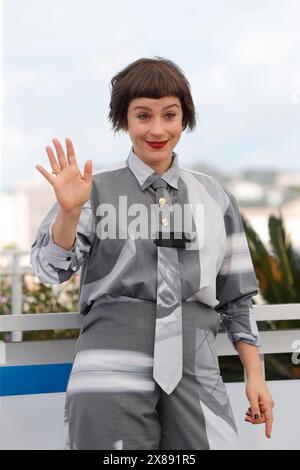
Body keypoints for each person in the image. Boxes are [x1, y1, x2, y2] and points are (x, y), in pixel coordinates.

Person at [30, 56, 274, 450]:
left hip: (197, 368)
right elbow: (48, 269)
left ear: (185, 119)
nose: (158, 129)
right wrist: (69, 212)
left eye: (170, 115)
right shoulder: (92, 190)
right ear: (124, 121)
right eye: (143, 115)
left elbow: (238, 298)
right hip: (109, 368)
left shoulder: (216, 197)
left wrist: (255, 376)